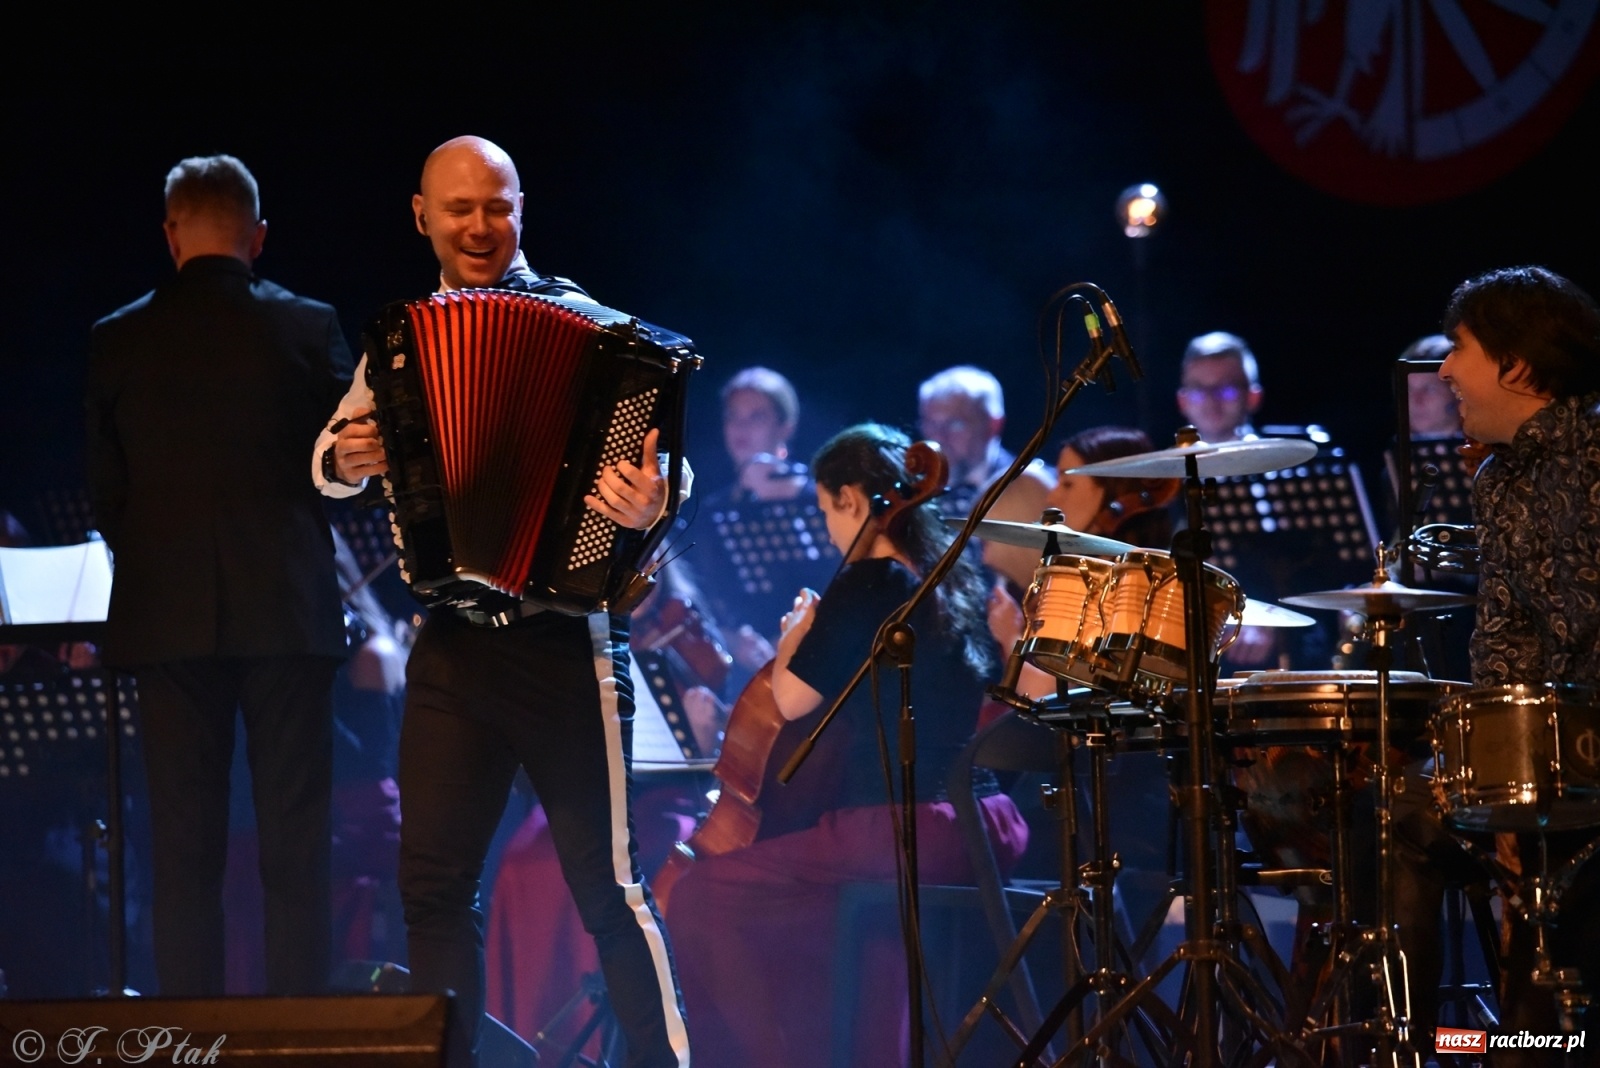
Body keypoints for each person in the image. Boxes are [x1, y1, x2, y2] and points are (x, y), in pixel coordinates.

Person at [312, 135, 689, 1068]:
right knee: (435, 890)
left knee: (611, 891)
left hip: (566, 644)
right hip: (452, 644)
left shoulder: (596, 329)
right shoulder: (401, 343)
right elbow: (325, 462)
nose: (480, 226)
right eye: (460, 209)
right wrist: (348, 460)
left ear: (520, 208)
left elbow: (670, 464)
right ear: (422, 216)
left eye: (497, 205)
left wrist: (659, 495)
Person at [667, 423, 1029, 1068]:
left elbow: (792, 701)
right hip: (988, 820)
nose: (826, 527)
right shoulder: (953, 579)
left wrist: (796, 636)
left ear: (854, 501)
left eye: (824, 508)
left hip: (901, 829)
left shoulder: (866, 584)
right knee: (829, 913)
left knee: (703, 895)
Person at [85, 155, 352, 995]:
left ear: (170, 237)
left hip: (165, 623)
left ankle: (185, 1041)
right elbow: (344, 473)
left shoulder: (115, 338)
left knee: (183, 851)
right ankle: (304, 1036)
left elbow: (107, 497)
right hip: (289, 618)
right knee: (295, 845)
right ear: (258, 237)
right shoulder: (309, 328)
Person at [1392, 265, 1600, 1060]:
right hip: (1542, 756)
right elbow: (1505, 642)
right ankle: (1413, 1044)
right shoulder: (1496, 478)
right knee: (1398, 815)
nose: (1443, 370)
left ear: (1517, 365)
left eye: (1460, 349)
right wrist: (1490, 772)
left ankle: (1541, 1030)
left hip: (1586, 755)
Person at [696, 367, 835, 682]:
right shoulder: (714, 512)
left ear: (785, 427)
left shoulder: (821, 496)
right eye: (733, 416)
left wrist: (801, 492)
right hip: (752, 666)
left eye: (756, 416)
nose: (741, 427)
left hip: (824, 653)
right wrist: (733, 639)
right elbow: (705, 598)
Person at [917, 365, 1055, 590]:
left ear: (993, 424)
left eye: (955, 424)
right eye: (930, 423)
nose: (938, 437)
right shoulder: (918, 493)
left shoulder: (1034, 488)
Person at [1175, 331, 1263, 444]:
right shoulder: (1168, 461)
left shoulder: (1281, 460)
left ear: (1253, 398)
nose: (1210, 400)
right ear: (1182, 401)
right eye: (1198, 391)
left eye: (1226, 391)